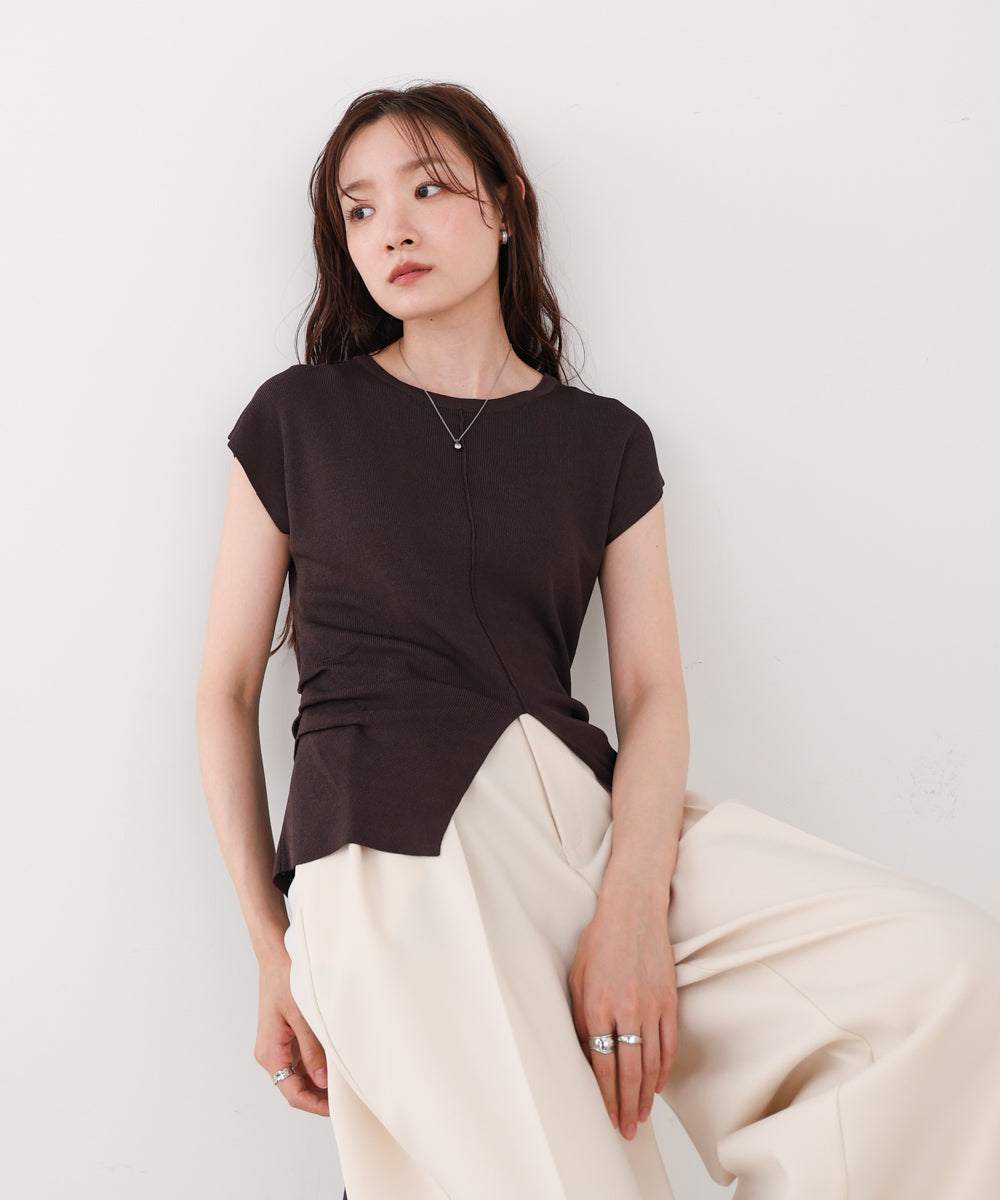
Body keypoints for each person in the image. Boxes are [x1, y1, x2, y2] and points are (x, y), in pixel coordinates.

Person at [195, 81, 1000, 1200]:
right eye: (360, 210)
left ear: (506, 204)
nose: (393, 230)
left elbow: (652, 693)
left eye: (427, 189)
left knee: (944, 978)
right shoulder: (297, 418)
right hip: (393, 853)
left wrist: (630, 910)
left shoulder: (605, 442)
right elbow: (226, 691)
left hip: (586, 822)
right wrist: (272, 949)